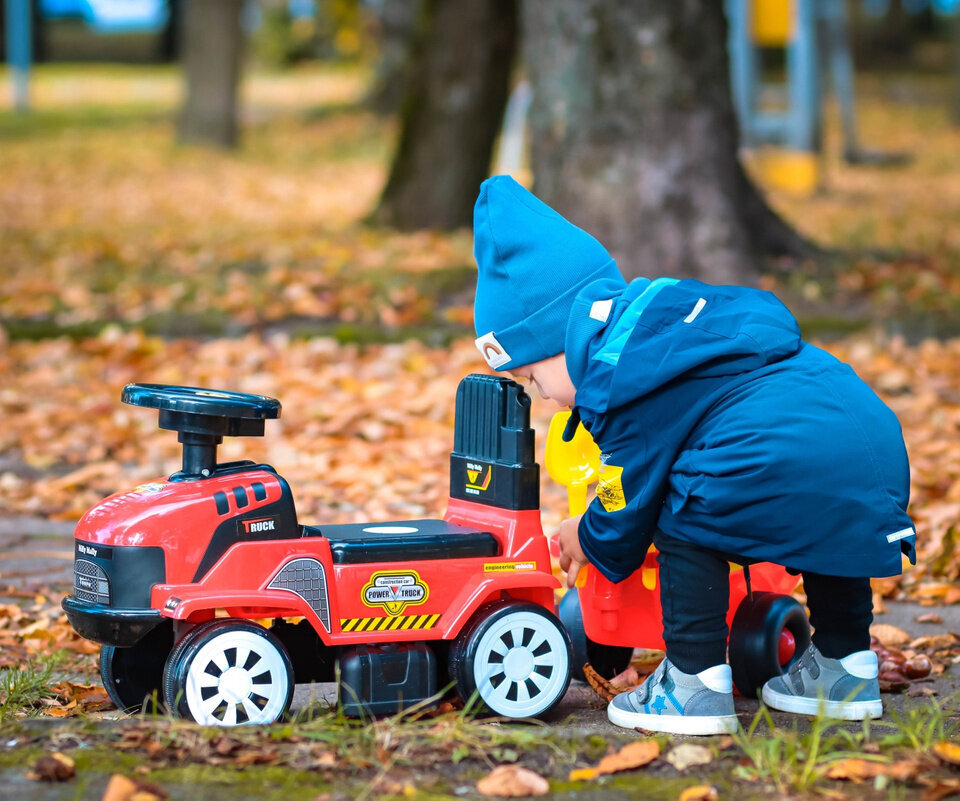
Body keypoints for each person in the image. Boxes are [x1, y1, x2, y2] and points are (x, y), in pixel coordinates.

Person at [471, 175, 915, 735]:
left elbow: (625, 493)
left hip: (773, 450)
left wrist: (586, 535)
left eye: (534, 378)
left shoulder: (615, 376)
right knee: (826, 516)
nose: (547, 398)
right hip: (869, 439)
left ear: (560, 336)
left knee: (679, 509)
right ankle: (844, 669)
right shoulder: (673, 320)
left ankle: (692, 687)